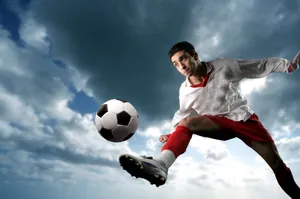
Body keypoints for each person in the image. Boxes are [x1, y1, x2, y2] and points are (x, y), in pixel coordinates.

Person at [119, 41, 300, 198]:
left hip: (243, 119)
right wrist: (173, 134)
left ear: (195, 55)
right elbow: (183, 114)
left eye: (183, 58)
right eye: (175, 64)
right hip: (217, 125)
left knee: (277, 164)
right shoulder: (185, 90)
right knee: (187, 123)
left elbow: (257, 66)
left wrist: (288, 66)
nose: (181, 66)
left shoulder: (224, 65)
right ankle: (161, 164)